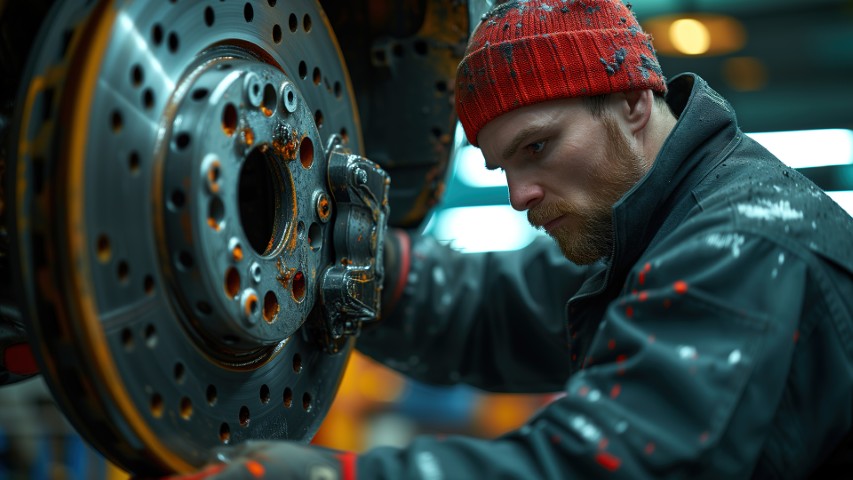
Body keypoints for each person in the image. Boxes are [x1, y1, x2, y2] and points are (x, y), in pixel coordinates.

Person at [168, 0, 853, 478]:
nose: (519, 193)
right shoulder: (657, 227)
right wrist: (349, 259)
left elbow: (595, 468)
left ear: (633, 102)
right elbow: (498, 308)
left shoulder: (744, 245)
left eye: (537, 147)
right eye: (501, 167)